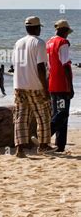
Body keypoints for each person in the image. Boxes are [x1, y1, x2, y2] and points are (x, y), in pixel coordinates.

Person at [12, 16, 54, 158]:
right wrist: (46, 87)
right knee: (43, 116)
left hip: (19, 85)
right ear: (36, 28)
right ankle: (43, 146)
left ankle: (19, 149)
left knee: (21, 118)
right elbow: (41, 67)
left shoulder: (18, 43)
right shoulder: (39, 43)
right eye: (39, 27)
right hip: (35, 85)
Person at [46, 20, 74, 152]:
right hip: (62, 84)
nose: (67, 35)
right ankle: (45, 137)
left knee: (57, 113)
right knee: (62, 113)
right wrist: (71, 86)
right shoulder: (63, 42)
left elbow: (48, 66)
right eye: (67, 32)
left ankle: (60, 145)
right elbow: (66, 65)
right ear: (63, 31)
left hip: (52, 83)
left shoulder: (49, 43)